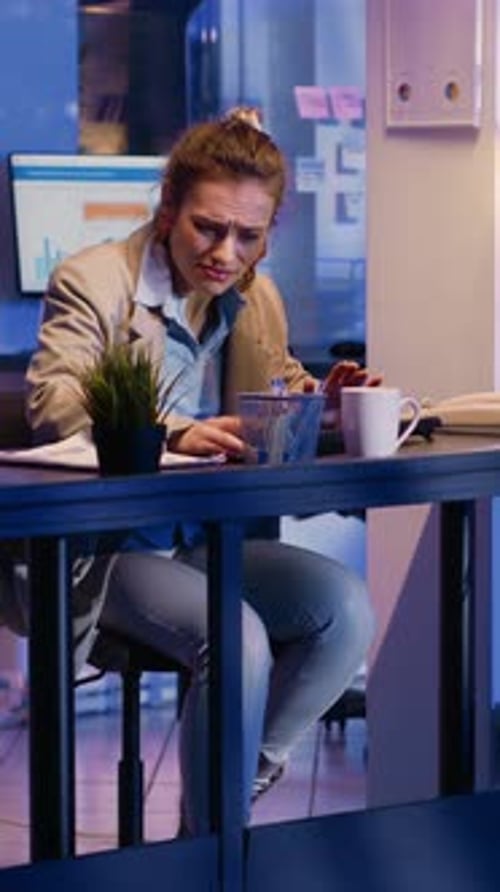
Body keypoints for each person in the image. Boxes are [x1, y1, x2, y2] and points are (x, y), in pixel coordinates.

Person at [24, 108, 375, 835]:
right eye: (208, 228)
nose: (226, 251)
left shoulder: (256, 296)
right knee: (237, 635)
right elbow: (59, 407)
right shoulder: (93, 281)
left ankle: (222, 809)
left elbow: (272, 392)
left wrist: (322, 410)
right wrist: (180, 433)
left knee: (344, 607)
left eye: (249, 236)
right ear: (168, 211)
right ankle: (217, 845)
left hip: (207, 539)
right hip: (111, 544)